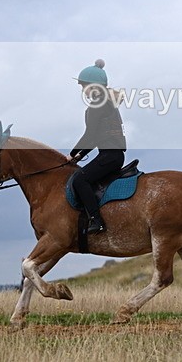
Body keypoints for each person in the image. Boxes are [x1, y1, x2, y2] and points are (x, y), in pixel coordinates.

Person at [66, 59, 126, 235]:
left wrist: (72, 154)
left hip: (109, 156)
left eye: (83, 86)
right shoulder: (106, 102)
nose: (83, 90)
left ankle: (96, 220)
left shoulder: (98, 104)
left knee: (79, 180)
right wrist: (80, 154)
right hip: (112, 155)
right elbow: (95, 136)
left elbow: (90, 135)